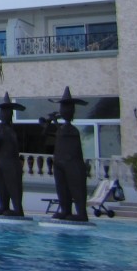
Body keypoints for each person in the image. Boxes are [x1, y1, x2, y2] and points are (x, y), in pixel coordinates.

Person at [50, 86, 88, 222]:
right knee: (62, 188)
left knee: (76, 188)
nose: (64, 111)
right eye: (63, 109)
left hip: (72, 164)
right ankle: (65, 209)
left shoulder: (72, 130)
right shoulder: (62, 129)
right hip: (60, 164)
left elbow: (73, 150)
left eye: (67, 109)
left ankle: (81, 212)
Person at [0, 93, 25, 216]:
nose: (3, 115)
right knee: (0, 185)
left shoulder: (9, 131)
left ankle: (17, 208)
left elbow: (9, 144)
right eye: (2, 112)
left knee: (13, 185)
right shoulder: (0, 129)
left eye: (6, 112)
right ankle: (3, 205)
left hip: (10, 163)